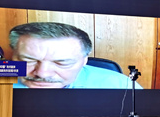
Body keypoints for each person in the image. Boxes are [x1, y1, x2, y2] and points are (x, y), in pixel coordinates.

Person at [9, 22, 138, 89]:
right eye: (28, 60)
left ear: (84, 61)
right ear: (13, 56)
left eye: (62, 63)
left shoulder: (120, 85)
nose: (42, 74)